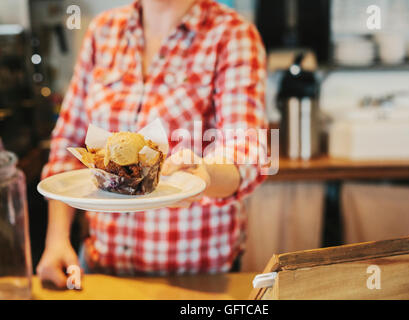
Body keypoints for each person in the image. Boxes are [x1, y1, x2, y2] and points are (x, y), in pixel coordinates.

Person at [37, 0, 267, 287]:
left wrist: (206, 173)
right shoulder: (103, 31)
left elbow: (246, 151)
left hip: (195, 278)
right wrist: (56, 239)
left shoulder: (231, 33)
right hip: (102, 267)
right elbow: (68, 142)